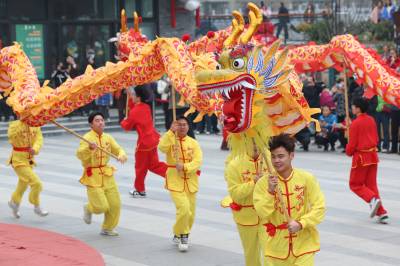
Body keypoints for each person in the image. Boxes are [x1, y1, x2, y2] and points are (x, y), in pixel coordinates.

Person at [253, 134, 326, 265]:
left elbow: (319, 208)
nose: (276, 161)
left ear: (291, 155)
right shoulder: (264, 182)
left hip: (304, 244)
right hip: (276, 248)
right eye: (273, 157)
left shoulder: (306, 178)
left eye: (281, 156)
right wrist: (270, 191)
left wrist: (301, 223)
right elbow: (261, 212)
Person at [77, 112, 127, 236]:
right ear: (91, 124)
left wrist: (121, 155)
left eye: (102, 120)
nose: (100, 122)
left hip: (107, 174)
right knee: (101, 207)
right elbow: (79, 154)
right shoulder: (87, 138)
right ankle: (89, 208)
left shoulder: (108, 138)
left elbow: (119, 149)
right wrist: (89, 148)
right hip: (92, 175)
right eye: (97, 120)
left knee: (115, 204)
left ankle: (107, 228)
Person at [158, 116, 203, 252]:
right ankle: (184, 236)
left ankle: (178, 233)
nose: (182, 127)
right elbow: (161, 147)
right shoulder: (171, 139)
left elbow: (198, 160)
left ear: (188, 127)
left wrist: (185, 166)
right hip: (174, 180)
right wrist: (170, 132)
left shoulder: (193, 142)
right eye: (179, 124)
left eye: (184, 124)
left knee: (191, 213)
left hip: (190, 181)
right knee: (183, 208)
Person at [223, 143, 268, 266]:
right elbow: (235, 193)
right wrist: (253, 183)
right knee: (251, 254)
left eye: (257, 140)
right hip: (246, 217)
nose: (254, 144)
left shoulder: (270, 159)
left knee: (270, 253)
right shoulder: (235, 164)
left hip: (268, 216)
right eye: (250, 140)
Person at [345, 98, 389, 224]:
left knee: (355, 184)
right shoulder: (371, 119)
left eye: (353, 106)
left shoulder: (355, 123)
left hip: (361, 158)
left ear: (358, 108)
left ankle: (372, 199)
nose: (352, 108)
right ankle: (382, 213)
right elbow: (376, 138)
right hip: (372, 155)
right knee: (371, 185)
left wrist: (348, 150)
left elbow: (351, 146)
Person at [120, 86, 167, 197]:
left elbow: (127, 126)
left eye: (133, 95)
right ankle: (173, 173)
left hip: (144, 143)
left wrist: (123, 121)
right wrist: (129, 93)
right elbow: (134, 108)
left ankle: (140, 189)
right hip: (152, 140)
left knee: (140, 167)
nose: (132, 96)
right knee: (154, 165)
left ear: (138, 97)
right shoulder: (146, 107)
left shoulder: (136, 111)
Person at [7, 119, 48, 218]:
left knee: (23, 184)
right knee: (37, 183)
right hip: (18, 160)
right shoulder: (14, 125)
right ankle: (36, 205)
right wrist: (22, 124)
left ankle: (14, 203)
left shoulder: (36, 125)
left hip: (29, 159)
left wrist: (35, 148)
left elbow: (39, 139)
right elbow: (11, 136)